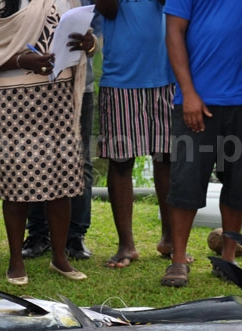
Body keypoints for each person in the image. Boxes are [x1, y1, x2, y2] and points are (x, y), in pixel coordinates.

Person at [0, 0, 96, 285]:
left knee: (61, 179)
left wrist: (89, 44)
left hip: (59, 96)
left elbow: (85, 45)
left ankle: (59, 257)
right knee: (15, 180)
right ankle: (16, 259)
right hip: (12, 99)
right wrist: (19, 61)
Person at [161, 0, 242, 288]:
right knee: (186, 179)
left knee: (239, 181)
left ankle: (228, 259)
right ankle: (178, 259)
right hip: (197, 99)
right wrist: (189, 92)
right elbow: (173, 33)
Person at [95, 0, 175, 269]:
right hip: (121, 79)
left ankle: (170, 238)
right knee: (120, 162)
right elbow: (108, 9)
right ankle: (126, 244)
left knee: (167, 158)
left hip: (165, 76)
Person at [20, 0, 100, 263]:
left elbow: (96, 35)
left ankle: (74, 236)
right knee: (34, 159)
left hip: (77, 86)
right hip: (34, 85)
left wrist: (91, 43)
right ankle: (38, 233)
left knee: (79, 161)